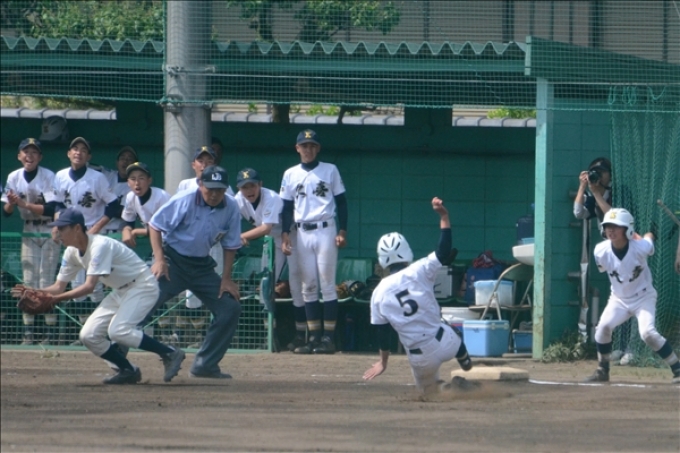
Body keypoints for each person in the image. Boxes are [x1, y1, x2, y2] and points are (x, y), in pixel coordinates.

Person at [14, 208, 186, 384]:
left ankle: (170, 353)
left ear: (77, 228)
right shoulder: (71, 252)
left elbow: (89, 286)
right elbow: (58, 287)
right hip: (120, 290)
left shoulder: (99, 245)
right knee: (88, 335)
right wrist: (35, 291)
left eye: (62, 228)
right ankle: (127, 370)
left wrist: (56, 299)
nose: (57, 232)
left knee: (118, 331)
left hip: (142, 285)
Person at [363, 197, 473, 394]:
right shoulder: (419, 269)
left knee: (429, 393)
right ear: (406, 251)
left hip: (420, 357)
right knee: (452, 332)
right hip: (444, 341)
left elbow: (382, 333)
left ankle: (448, 388)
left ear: (382, 260)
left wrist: (383, 362)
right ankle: (465, 361)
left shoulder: (378, 293)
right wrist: (444, 216)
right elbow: (443, 250)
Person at [148, 165, 242, 379]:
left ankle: (205, 365)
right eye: (210, 188)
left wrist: (226, 278)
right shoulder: (185, 199)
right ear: (200, 184)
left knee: (230, 307)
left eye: (220, 189)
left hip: (202, 267)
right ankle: (122, 363)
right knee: (143, 303)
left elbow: (231, 244)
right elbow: (155, 225)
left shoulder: (231, 206)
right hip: (173, 261)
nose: (215, 194)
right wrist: (159, 259)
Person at [585, 208, 680, 384]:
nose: (611, 230)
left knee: (648, 333)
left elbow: (649, 242)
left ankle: (677, 368)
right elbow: (604, 268)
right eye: (608, 226)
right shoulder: (600, 250)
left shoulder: (640, 247)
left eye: (616, 226)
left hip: (643, 297)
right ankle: (602, 369)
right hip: (618, 299)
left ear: (627, 229)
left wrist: (649, 234)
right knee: (603, 328)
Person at [280, 129, 348, 354]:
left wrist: (343, 230)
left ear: (317, 148)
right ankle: (313, 338)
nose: (308, 149)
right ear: (297, 148)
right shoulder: (290, 173)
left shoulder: (330, 169)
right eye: (304, 145)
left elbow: (342, 201)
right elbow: (286, 206)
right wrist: (285, 232)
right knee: (308, 286)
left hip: (325, 229)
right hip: (302, 232)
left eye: (312, 145)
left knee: (327, 284)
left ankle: (328, 339)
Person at [51, 137, 121, 341]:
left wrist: (97, 227)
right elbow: (57, 204)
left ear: (89, 156)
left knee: (95, 286)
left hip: (92, 236)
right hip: (71, 235)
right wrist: (57, 225)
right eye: (75, 148)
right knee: (77, 285)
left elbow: (113, 205)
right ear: (68, 153)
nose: (78, 152)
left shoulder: (97, 178)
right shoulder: (60, 176)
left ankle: (100, 331)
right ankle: (86, 331)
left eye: (83, 150)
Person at [234, 167, 305, 351]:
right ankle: (269, 336)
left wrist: (243, 236)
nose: (249, 190)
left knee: (296, 284)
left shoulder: (270, 197)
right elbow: (230, 221)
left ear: (260, 184)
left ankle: (301, 334)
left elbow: (266, 227)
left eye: (252, 185)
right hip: (272, 240)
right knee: (266, 285)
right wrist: (237, 236)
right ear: (239, 188)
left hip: (292, 236)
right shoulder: (238, 199)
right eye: (244, 187)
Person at [2, 138, 61, 345]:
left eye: (34, 152)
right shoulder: (13, 177)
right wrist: (12, 204)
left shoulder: (48, 176)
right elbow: (7, 212)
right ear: (19, 156)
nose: (30, 155)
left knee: (46, 281)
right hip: (29, 229)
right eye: (26, 151)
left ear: (40, 157)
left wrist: (23, 204)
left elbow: (52, 208)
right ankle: (29, 332)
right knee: (29, 281)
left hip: (48, 229)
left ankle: (50, 332)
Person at [120, 162, 170, 250]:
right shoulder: (130, 197)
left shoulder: (162, 197)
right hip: (159, 243)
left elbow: (169, 228)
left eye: (141, 178)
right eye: (133, 179)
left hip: (175, 243)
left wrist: (137, 231)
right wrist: (126, 230)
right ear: (128, 182)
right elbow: (127, 221)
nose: (137, 183)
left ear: (149, 180)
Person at [100, 146, 138, 235]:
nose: (125, 161)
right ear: (117, 162)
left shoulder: (136, 186)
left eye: (130, 159)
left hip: (119, 233)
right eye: (122, 158)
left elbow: (122, 212)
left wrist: (101, 207)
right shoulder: (107, 174)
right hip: (99, 231)